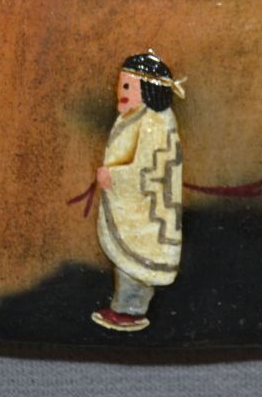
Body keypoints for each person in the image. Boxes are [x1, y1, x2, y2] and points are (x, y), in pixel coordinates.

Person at [92, 52, 187, 332]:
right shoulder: (136, 116)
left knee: (135, 260)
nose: (119, 92)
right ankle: (125, 306)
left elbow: (149, 167)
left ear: (147, 89)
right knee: (127, 260)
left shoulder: (156, 123)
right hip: (132, 205)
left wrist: (115, 176)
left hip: (147, 209)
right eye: (120, 86)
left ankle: (130, 310)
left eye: (126, 86)